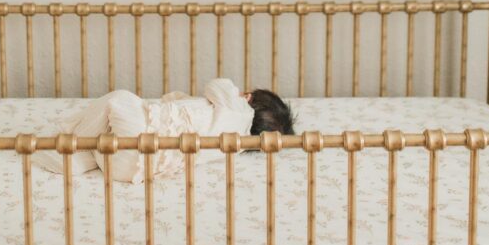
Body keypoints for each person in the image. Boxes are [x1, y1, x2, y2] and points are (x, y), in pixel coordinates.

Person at [32, 79, 294, 182]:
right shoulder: (233, 147)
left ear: (251, 101)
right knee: (108, 136)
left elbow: (216, 85)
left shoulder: (239, 111)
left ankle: (74, 142)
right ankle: (81, 160)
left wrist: (238, 94)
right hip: (132, 168)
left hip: (141, 138)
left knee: (119, 100)